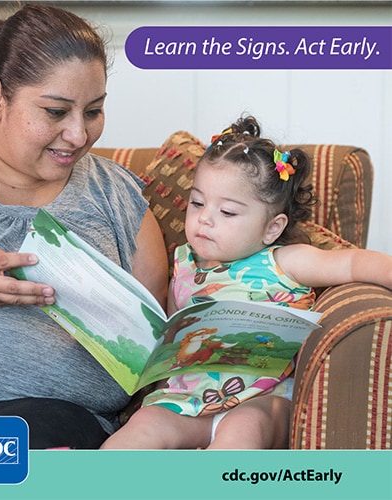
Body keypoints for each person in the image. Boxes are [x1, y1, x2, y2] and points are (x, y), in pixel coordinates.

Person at [0, 3, 168, 449]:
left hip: (46, 422)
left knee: (17, 445)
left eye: (93, 111)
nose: (79, 135)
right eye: (56, 112)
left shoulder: (116, 194)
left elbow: (151, 345)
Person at [101, 115, 392, 450]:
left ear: (272, 228)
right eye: (197, 202)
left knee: (242, 431)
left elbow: (353, 263)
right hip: (188, 399)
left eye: (227, 212)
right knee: (140, 429)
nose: (205, 218)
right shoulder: (183, 261)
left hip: (260, 399)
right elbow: (173, 333)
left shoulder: (285, 260)